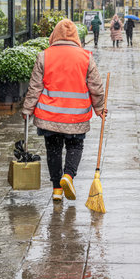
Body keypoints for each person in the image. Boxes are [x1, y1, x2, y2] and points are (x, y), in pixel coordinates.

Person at [22, 19, 106, 202]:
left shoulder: (44, 56)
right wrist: (99, 108)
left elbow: (34, 87)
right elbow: (96, 87)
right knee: (75, 146)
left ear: (54, 35)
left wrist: (27, 109)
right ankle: (68, 175)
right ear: (76, 35)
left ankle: (57, 190)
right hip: (76, 117)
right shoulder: (85, 57)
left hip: (49, 116)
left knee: (53, 150)